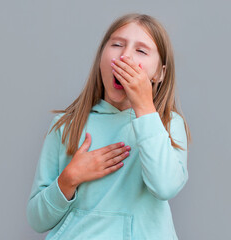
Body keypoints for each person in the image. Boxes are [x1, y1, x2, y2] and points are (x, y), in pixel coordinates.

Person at [26, 13, 192, 240]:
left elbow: (165, 186)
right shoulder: (65, 126)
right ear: (101, 58)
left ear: (160, 73)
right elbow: (37, 220)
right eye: (116, 45)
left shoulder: (168, 124)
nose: (125, 56)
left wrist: (144, 108)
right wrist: (69, 179)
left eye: (141, 51)